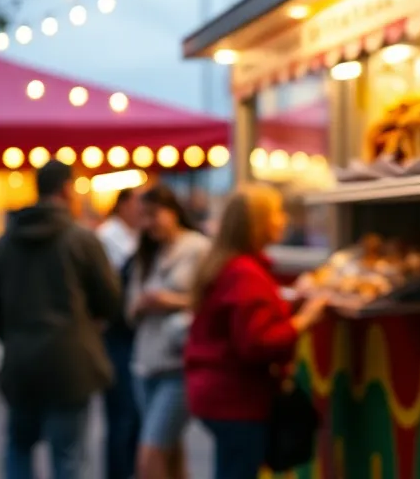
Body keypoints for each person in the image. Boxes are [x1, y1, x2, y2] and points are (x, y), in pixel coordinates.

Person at [0, 159, 122, 479]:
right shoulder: (81, 240)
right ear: (67, 188)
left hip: (20, 362)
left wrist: (14, 334)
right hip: (70, 364)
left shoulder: (4, 243)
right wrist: (86, 324)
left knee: (18, 447)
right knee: (68, 456)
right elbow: (110, 299)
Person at [185, 185, 329, 479]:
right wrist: (305, 319)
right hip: (237, 400)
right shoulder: (245, 273)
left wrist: (289, 300)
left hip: (215, 393)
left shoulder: (231, 266)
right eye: (276, 213)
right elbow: (256, 344)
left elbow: (243, 318)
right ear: (258, 223)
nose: (283, 220)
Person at [126, 186, 209, 479]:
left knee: (150, 452)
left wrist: (169, 300)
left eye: (153, 215)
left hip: (179, 364)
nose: (148, 224)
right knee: (169, 447)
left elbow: (211, 301)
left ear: (172, 211)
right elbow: (129, 309)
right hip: (145, 363)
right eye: (143, 217)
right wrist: (142, 304)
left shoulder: (198, 248)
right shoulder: (146, 252)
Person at [97, 188, 142, 479]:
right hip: (117, 335)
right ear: (124, 204)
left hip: (133, 336)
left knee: (133, 415)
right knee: (122, 415)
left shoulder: (130, 234)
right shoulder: (109, 236)